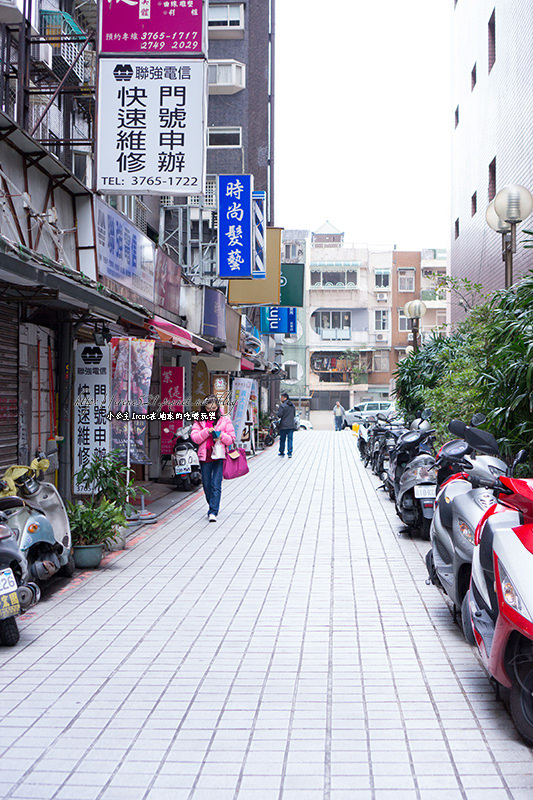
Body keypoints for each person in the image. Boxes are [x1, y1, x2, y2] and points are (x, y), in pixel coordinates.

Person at [191, 395, 235, 522]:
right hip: (205, 457)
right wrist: (207, 431)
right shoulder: (199, 420)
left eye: (214, 408)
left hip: (219, 456)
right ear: (204, 408)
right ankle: (212, 504)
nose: (211, 411)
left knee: (216, 484)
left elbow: (231, 438)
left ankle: (213, 511)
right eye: (209, 408)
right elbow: (195, 438)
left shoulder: (224, 420)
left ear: (218, 408)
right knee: (206, 484)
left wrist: (220, 436)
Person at [277, 392, 297, 458]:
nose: (281, 399)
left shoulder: (282, 406)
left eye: (282, 397)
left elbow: (279, 415)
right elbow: (294, 415)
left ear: (285, 398)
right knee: (290, 439)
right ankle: (290, 453)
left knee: (282, 439)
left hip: (283, 425)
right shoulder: (292, 406)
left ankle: (282, 452)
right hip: (291, 425)